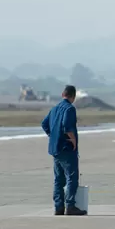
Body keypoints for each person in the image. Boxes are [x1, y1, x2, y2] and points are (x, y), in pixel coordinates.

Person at [41, 85, 83, 215]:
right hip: (66, 148)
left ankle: (58, 207)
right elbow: (67, 125)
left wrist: (53, 135)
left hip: (55, 149)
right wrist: (73, 140)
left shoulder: (54, 109)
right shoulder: (70, 109)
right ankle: (70, 206)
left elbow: (44, 124)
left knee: (58, 179)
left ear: (62, 94)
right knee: (72, 177)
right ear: (73, 96)